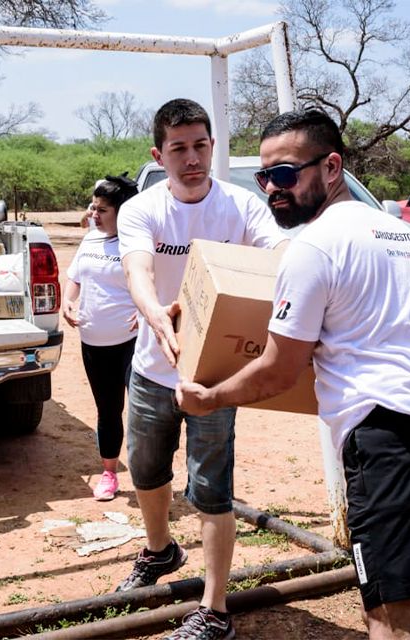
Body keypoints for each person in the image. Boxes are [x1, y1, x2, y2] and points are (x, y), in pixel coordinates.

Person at [176, 109, 410, 640]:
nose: (272, 189)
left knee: (397, 623)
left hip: (383, 443)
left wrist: (208, 398)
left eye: (286, 175)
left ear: (332, 167)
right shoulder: (399, 235)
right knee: (384, 608)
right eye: (265, 177)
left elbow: (277, 369)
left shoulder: (313, 247)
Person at [115, 98, 287, 640]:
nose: (192, 158)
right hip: (152, 366)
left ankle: (214, 611)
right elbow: (137, 270)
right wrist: (156, 317)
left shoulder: (242, 206)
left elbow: (280, 255)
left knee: (211, 488)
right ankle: (161, 550)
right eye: (179, 149)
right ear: (158, 154)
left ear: (213, 146)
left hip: (213, 375)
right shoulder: (140, 209)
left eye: (200, 146)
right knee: (145, 471)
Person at [62, 175, 140, 501]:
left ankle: (152, 473)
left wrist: (150, 308)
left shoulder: (138, 242)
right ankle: (109, 474)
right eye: (93, 207)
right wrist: (68, 300)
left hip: (132, 341)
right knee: (108, 410)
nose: (94, 215)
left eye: (102, 209)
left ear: (123, 212)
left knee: (142, 410)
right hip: (93, 341)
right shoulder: (91, 239)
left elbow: (162, 280)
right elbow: (75, 277)